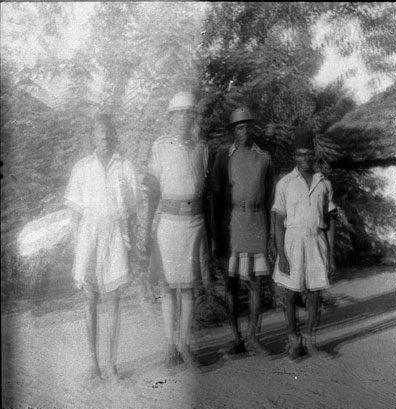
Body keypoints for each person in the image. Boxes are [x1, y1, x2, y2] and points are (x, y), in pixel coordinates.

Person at [64, 112, 139, 380]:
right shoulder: (82, 168)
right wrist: (78, 250)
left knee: (115, 299)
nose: (105, 139)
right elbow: (74, 213)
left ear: (114, 136)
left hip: (116, 236)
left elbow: (132, 211)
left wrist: (131, 243)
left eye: (109, 134)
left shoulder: (125, 166)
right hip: (89, 236)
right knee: (90, 297)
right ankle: (93, 364)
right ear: (93, 137)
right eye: (99, 134)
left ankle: (112, 363)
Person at [142, 91, 210, 368]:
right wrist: (147, 229)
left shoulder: (202, 147)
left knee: (189, 288)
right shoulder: (159, 146)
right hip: (168, 225)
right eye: (178, 113)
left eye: (188, 113)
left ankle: (185, 345)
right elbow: (153, 192)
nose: (183, 118)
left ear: (193, 117)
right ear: (170, 117)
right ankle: (170, 346)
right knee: (169, 287)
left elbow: (205, 193)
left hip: (194, 224)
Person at [211, 106, 275, 356]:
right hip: (233, 223)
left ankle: (253, 337)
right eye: (239, 127)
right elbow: (215, 198)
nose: (245, 131)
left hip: (257, 221)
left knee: (256, 283)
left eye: (248, 126)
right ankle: (236, 337)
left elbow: (271, 198)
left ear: (254, 129)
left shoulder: (264, 158)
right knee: (231, 283)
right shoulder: (223, 156)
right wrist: (217, 236)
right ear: (233, 131)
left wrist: (270, 235)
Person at [271, 127, 336, 359]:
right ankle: (293, 340)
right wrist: (282, 254)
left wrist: (331, 256)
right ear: (294, 156)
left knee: (314, 295)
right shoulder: (285, 183)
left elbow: (329, 221)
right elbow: (278, 222)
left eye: (309, 154)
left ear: (314, 154)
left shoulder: (324, 183)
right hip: (292, 243)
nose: (305, 159)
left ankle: (309, 340)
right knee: (289, 295)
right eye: (300, 154)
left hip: (316, 242)